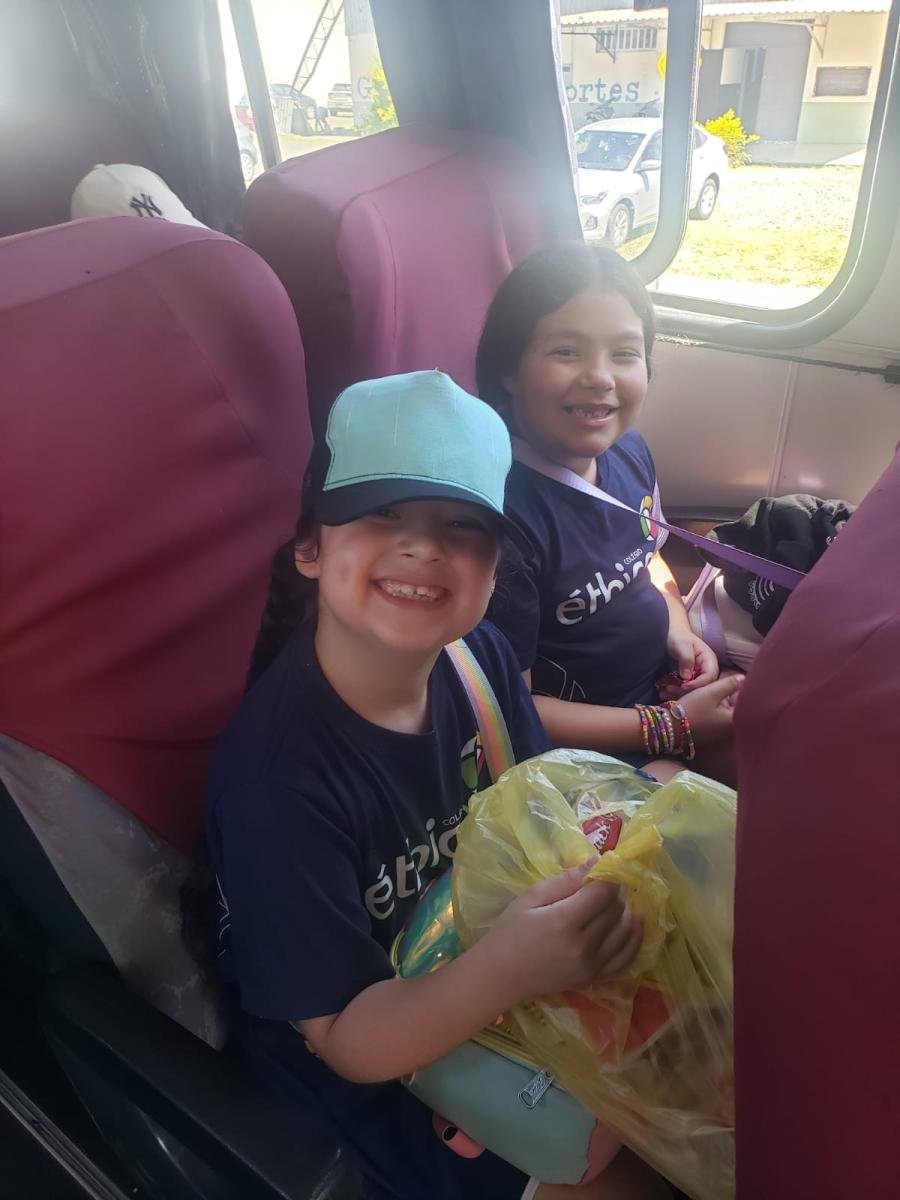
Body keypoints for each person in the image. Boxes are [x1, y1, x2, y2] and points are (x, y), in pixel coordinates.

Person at [206, 371, 669, 1200]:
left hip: (497, 957)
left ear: (495, 571)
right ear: (310, 548)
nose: (423, 548)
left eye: (463, 527)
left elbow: (535, 811)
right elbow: (345, 1039)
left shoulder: (480, 661)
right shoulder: (276, 786)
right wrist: (508, 969)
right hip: (377, 1061)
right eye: (384, 514)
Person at [478, 244, 741, 782]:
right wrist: (667, 728)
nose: (600, 377)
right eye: (567, 351)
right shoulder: (506, 518)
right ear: (509, 369)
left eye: (624, 353)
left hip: (660, 696)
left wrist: (678, 631)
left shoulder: (628, 452)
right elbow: (509, 707)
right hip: (583, 753)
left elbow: (648, 559)